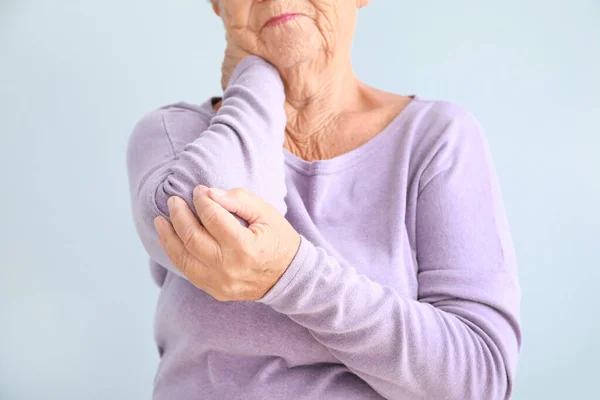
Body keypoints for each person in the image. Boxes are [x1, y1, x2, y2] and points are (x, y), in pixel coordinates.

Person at [126, 0, 522, 399]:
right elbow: (223, 226)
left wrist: (289, 273)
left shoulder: (437, 139)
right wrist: (257, 79)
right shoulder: (173, 134)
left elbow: (478, 380)